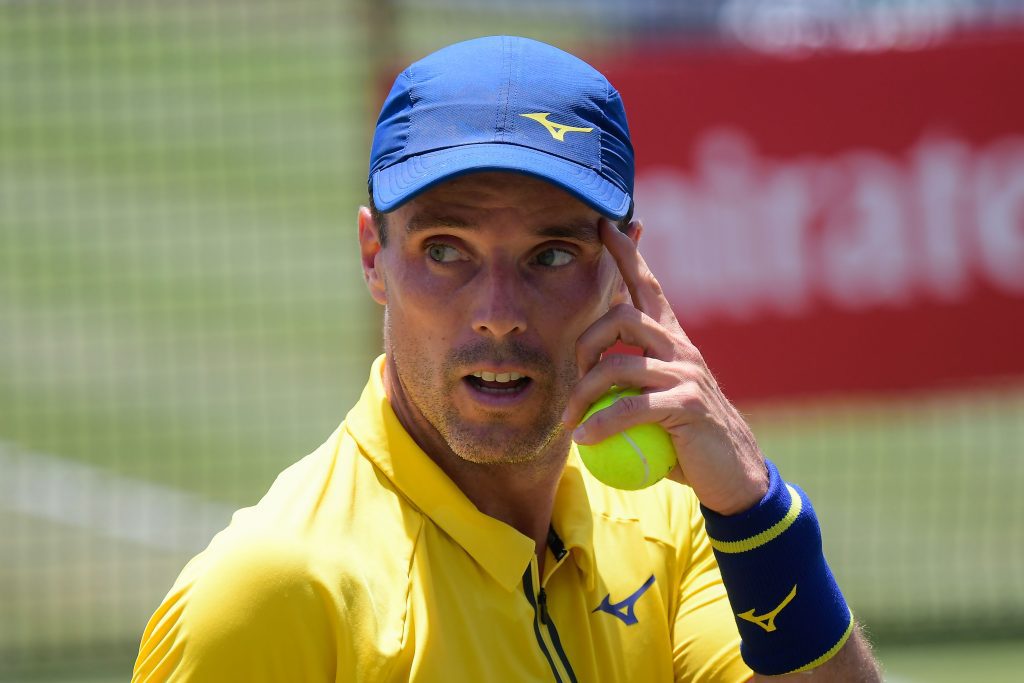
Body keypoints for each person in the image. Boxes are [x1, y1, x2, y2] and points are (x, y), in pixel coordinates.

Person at [133, 36, 881, 682]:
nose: (498, 311)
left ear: (622, 267)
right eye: (445, 251)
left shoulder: (677, 522)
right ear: (373, 256)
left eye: (550, 255)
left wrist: (756, 514)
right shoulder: (270, 596)